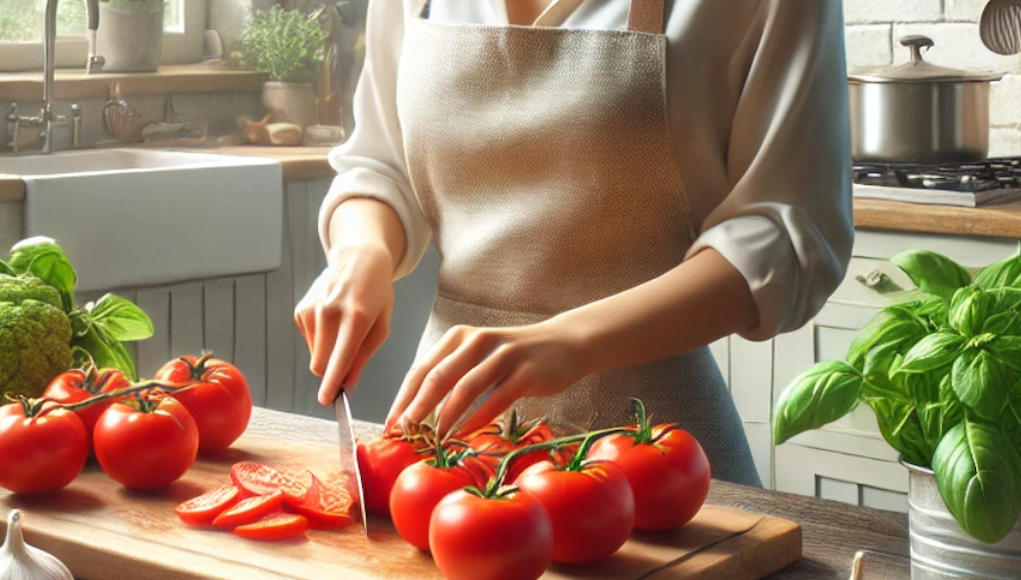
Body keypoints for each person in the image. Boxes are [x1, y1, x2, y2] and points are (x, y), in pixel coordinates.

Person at [294, 0, 854, 486]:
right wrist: (360, 251)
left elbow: (786, 236)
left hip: (655, 462)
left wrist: (573, 339)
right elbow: (381, 164)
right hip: (447, 457)